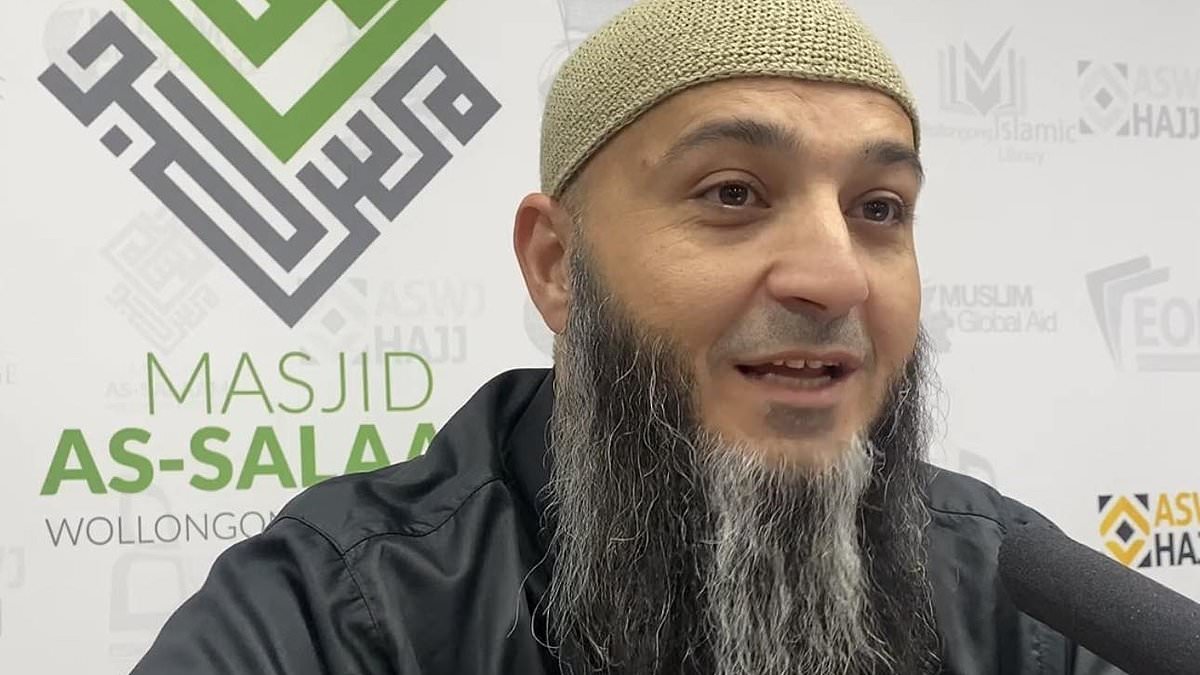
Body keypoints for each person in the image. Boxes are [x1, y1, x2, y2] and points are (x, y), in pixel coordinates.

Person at [132, 0, 1123, 673]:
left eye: (879, 208)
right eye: (732, 194)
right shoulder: (340, 613)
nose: (837, 278)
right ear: (557, 263)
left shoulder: (1013, 595)